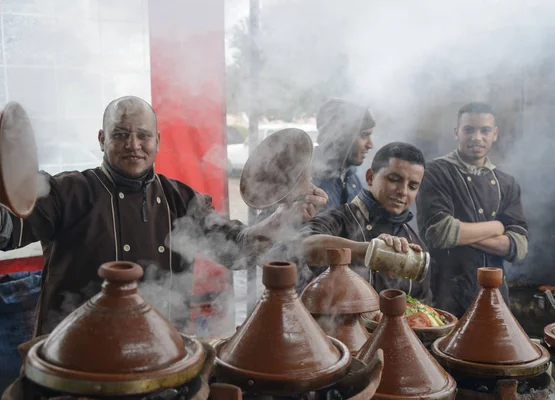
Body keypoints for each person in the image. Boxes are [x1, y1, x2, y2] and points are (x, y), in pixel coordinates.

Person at [0, 96, 327, 337]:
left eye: (143, 135)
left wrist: (286, 215)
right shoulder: (65, 192)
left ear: (158, 142)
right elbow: (7, 230)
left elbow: (239, 250)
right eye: (120, 134)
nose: (133, 144)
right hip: (74, 360)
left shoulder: (182, 200)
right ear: (102, 140)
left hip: (162, 357)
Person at [416, 102, 528, 318]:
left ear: (494, 134)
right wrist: (497, 227)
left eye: (484, 130)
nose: (477, 137)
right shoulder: (435, 172)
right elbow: (439, 233)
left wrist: (459, 234)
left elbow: (519, 246)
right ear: (457, 132)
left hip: (496, 299)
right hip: (445, 296)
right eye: (469, 130)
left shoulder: (507, 183)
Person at [293, 142, 431, 301]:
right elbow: (302, 248)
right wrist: (372, 250)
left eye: (413, 186)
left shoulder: (414, 244)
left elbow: (424, 310)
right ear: (370, 177)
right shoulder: (338, 219)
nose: (403, 191)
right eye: (394, 179)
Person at [312, 98, 375, 210]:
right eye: (364, 135)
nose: (370, 144)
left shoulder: (351, 176)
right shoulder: (306, 180)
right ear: (341, 137)